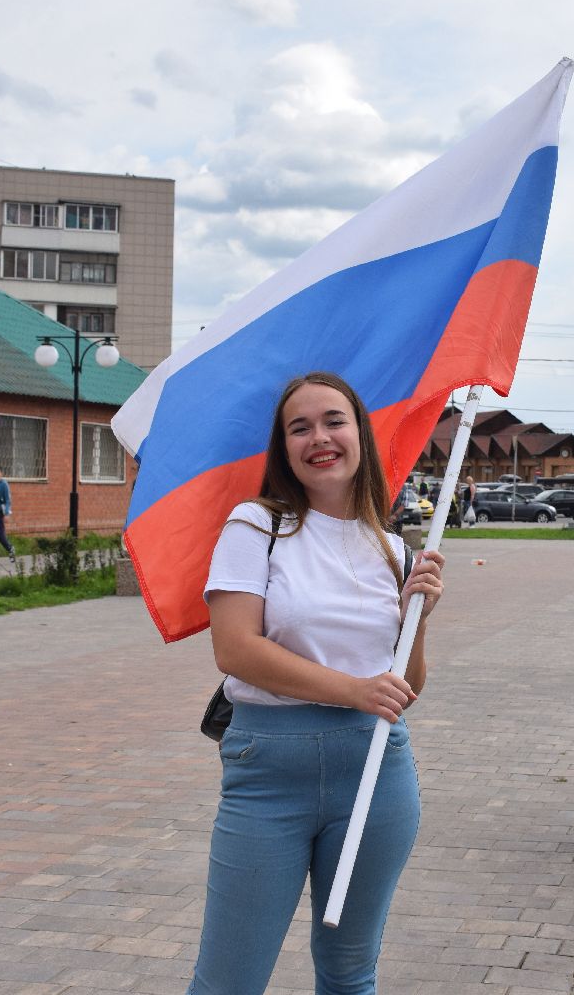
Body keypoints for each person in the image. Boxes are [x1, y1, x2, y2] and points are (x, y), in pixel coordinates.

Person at [191, 372, 444, 995]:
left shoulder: (391, 546)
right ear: (284, 448)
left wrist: (419, 619)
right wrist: (353, 690)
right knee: (228, 983)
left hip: (377, 774)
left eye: (334, 420)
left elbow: (403, 685)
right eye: (299, 427)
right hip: (269, 774)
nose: (319, 437)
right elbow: (236, 648)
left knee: (350, 975)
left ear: (360, 433)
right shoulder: (255, 526)